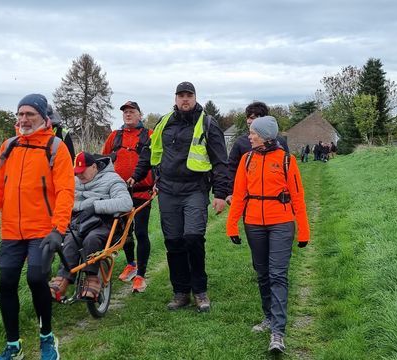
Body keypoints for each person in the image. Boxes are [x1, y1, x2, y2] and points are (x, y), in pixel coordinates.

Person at [0, 93, 74, 360]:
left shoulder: (55, 147)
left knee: (35, 279)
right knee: (6, 282)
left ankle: (47, 338)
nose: (23, 119)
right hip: (11, 230)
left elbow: (65, 191)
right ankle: (13, 346)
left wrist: (59, 229)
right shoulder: (9, 146)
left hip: (42, 230)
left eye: (30, 114)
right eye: (20, 114)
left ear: (44, 117)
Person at [128, 81, 230, 312]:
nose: (185, 99)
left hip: (195, 189)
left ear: (195, 98)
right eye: (181, 95)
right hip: (168, 191)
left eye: (189, 95)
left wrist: (221, 193)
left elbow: (220, 161)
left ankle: (200, 291)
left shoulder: (208, 123)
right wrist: (137, 176)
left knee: (193, 238)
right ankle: (181, 292)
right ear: (175, 98)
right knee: (173, 242)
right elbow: (149, 152)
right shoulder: (164, 123)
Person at [226, 115, 310, 354]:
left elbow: (298, 198)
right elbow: (240, 194)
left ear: (264, 136)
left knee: (278, 275)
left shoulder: (286, 160)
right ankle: (268, 317)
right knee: (262, 274)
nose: (249, 136)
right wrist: (232, 226)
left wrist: (303, 231)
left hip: (281, 224)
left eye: (252, 132)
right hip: (253, 224)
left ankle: (278, 332)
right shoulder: (246, 159)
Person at [49, 152, 133, 300]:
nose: (79, 176)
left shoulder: (112, 179)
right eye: (77, 173)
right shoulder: (74, 181)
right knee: (70, 240)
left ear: (94, 166)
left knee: (92, 239)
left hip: (105, 222)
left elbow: (126, 203)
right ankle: (63, 279)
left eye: (83, 172)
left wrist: (95, 206)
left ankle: (92, 278)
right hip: (80, 221)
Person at [102, 100, 154, 293]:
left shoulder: (149, 135)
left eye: (132, 111)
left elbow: (157, 160)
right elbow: (104, 162)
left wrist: (157, 183)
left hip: (142, 191)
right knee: (122, 232)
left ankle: (141, 275)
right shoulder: (114, 137)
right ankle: (131, 264)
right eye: (125, 112)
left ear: (140, 115)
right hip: (118, 192)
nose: (128, 114)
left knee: (140, 232)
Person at [226, 101, 289, 205]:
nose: (249, 121)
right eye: (248, 117)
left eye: (253, 118)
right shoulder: (240, 143)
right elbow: (231, 168)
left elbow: (287, 169)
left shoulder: (280, 142)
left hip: (275, 198)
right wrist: (230, 192)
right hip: (249, 196)